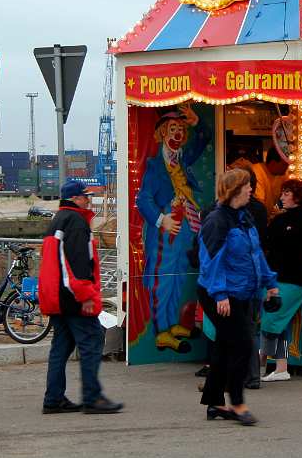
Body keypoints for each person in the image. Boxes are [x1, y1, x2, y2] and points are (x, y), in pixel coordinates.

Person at [197, 169, 279, 426]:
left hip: (240, 291)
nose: (251, 189)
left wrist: (270, 283)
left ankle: (215, 403)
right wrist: (220, 293)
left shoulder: (244, 218)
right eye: (246, 186)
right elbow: (211, 261)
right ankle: (237, 403)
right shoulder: (217, 221)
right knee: (243, 345)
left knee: (224, 346)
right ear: (233, 190)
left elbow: (256, 254)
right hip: (220, 293)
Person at [42, 180, 123, 414]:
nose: (88, 199)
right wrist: (86, 295)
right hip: (72, 297)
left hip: (56, 296)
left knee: (60, 347)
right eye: (85, 196)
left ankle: (54, 398)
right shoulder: (76, 222)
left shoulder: (57, 221)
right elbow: (77, 264)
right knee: (92, 341)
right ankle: (92, 397)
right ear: (75, 199)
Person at [137, 104, 212, 353]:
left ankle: (172, 324)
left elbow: (205, 137)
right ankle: (161, 332)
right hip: (166, 231)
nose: (177, 134)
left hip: (187, 224)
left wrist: (196, 121)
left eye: (180, 129)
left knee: (179, 274)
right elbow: (143, 199)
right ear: (161, 133)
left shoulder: (183, 158)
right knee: (163, 278)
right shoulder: (155, 165)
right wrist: (161, 220)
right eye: (172, 129)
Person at [261, 178, 302, 382]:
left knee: (271, 321)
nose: (282, 197)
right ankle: (281, 367)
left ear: (297, 196)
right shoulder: (279, 221)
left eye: (286, 193)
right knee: (277, 323)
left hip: (292, 278)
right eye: (282, 193)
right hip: (280, 277)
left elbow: (285, 246)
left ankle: (259, 364)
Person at [252, 148, 288, 215]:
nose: (287, 167)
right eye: (284, 164)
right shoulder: (257, 172)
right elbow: (259, 204)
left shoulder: (282, 175)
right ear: (273, 163)